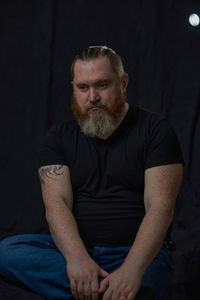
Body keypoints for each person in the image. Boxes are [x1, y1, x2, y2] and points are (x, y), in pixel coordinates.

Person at [0, 46, 183, 300]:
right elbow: (57, 204)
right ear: (74, 88)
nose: (92, 97)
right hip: (76, 249)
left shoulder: (156, 132)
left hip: (136, 252)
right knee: (7, 252)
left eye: (102, 85)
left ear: (123, 82)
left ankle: (95, 288)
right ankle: (106, 289)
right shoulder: (58, 137)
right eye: (83, 88)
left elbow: (161, 207)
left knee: (148, 277)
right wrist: (77, 259)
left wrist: (131, 270)